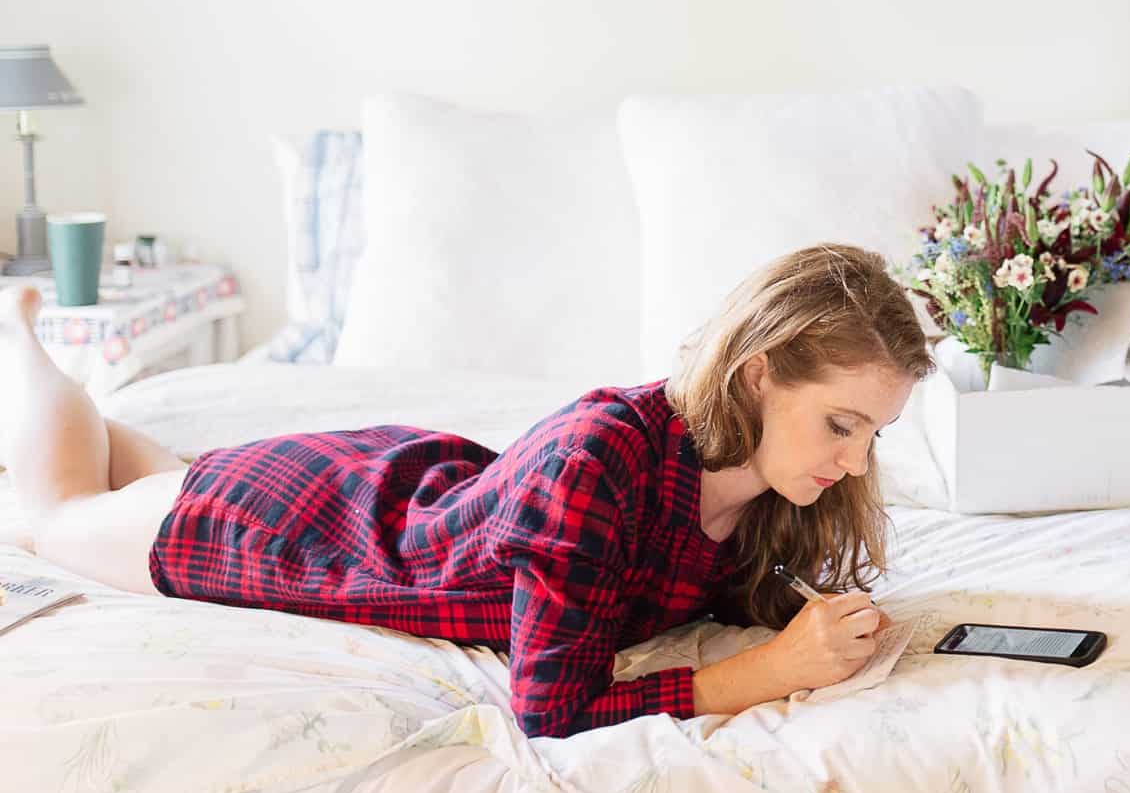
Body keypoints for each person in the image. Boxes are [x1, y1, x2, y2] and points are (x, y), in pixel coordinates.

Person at [0, 243, 925, 739]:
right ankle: (20, 338)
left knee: (161, 472)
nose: (853, 461)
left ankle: (104, 420)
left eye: (871, 434)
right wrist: (764, 672)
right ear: (758, 375)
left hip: (394, 483)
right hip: (303, 528)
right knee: (54, 515)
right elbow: (551, 709)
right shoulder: (602, 460)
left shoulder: (768, 481)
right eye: (840, 424)